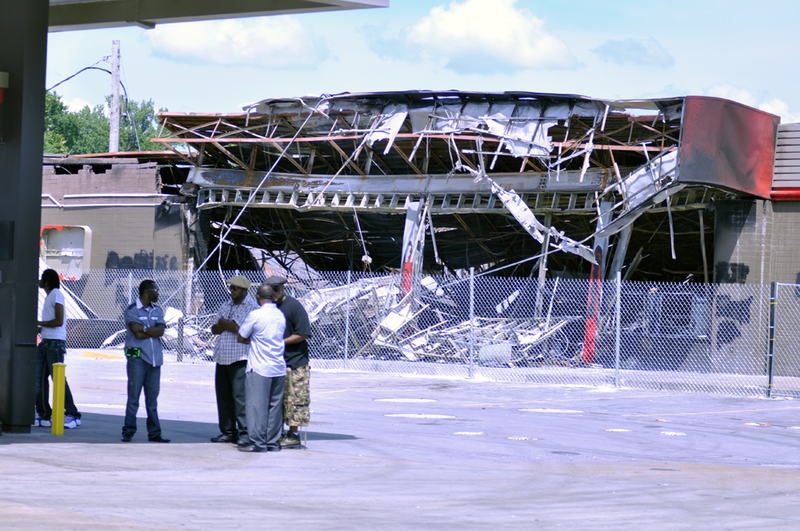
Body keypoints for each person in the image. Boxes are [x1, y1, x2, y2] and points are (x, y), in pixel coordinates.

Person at [236, 284, 286, 453]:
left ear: (258, 297)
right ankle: (272, 442)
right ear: (273, 297)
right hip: (278, 366)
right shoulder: (280, 315)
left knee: (256, 406)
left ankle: (258, 442)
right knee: (274, 406)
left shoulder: (256, 315)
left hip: (259, 367)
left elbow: (241, 336)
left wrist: (254, 341)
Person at [209, 275, 257, 445]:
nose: (232, 291)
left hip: (239, 358)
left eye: (235, 288)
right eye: (231, 288)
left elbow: (239, 329)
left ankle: (244, 433)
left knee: (240, 397)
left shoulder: (251, 306)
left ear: (244, 290)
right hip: (222, 357)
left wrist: (223, 322)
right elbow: (214, 329)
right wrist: (224, 324)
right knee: (223, 397)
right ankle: (228, 431)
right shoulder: (226, 305)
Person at [265, 275, 311, 448]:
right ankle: (278, 432)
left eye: (277, 289)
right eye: (271, 290)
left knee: (295, 399)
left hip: (295, 362)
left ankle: (293, 434)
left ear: (283, 289)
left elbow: (303, 333)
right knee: (278, 400)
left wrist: (280, 343)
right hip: (276, 362)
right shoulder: (269, 308)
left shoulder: (293, 306)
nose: (274, 293)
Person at [121, 279, 170, 443]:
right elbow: (137, 334)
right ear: (147, 292)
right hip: (137, 357)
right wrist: (151, 330)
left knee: (152, 399)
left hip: (155, 360)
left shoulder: (158, 310)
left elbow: (161, 331)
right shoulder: (132, 310)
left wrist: (145, 328)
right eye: (156, 290)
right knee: (133, 397)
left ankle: (155, 433)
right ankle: (128, 430)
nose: (158, 293)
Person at [35, 268, 82, 429]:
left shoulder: (56, 294)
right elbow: (51, 323)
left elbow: (59, 321)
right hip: (46, 342)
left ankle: (73, 415)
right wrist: (40, 329)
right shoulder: (49, 296)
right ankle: (44, 415)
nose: (40, 281)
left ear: (48, 281)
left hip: (55, 344)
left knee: (59, 380)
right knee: (39, 380)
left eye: (42, 278)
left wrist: (39, 323)